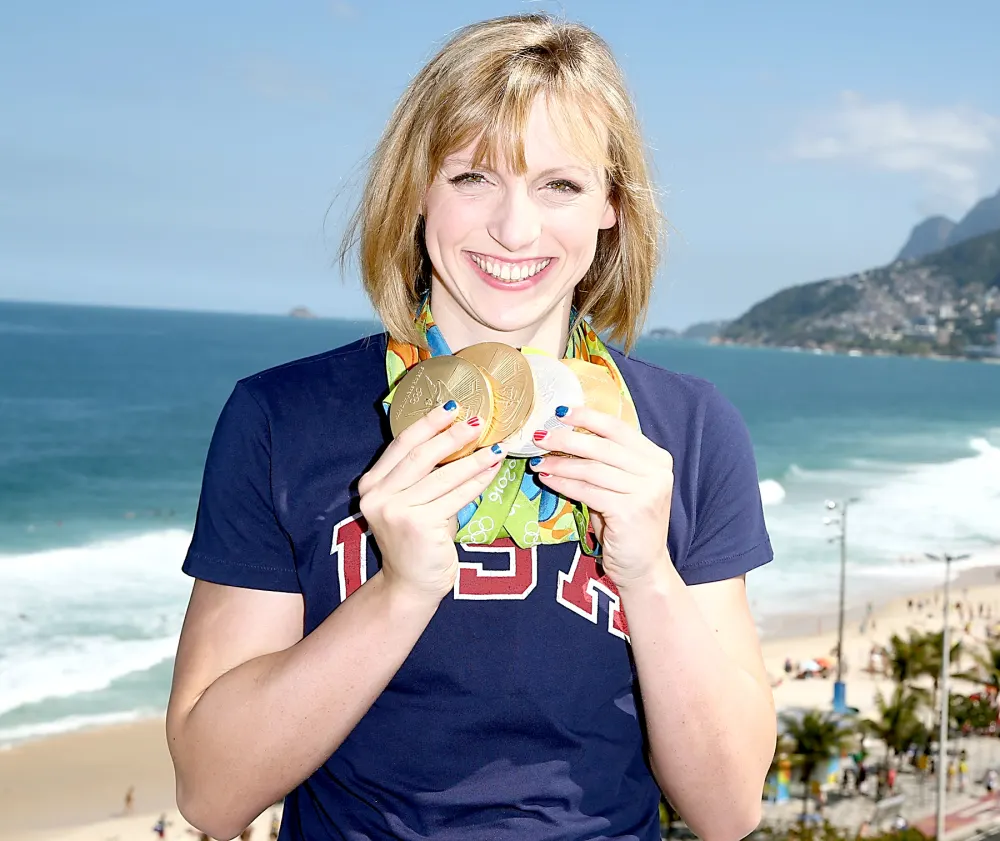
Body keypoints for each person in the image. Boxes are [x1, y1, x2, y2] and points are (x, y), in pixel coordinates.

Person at [165, 13, 775, 841]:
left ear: (611, 206)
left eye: (560, 185)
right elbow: (211, 789)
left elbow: (729, 807)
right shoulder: (282, 418)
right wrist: (399, 590)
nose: (515, 230)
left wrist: (648, 572)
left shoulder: (688, 429)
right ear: (417, 187)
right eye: (474, 178)